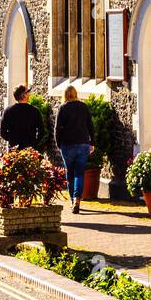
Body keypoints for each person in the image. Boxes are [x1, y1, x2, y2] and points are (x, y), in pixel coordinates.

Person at [54, 85, 94, 213]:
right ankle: (77, 199)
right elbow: (90, 126)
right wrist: (92, 142)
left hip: (67, 144)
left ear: (65, 95)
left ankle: (72, 200)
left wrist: (58, 144)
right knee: (79, 173)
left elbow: (57, 129)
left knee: (69, 173)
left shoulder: (63, 108)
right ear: (76, 94)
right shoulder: (84, 107)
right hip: (83, 143)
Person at [0, 85, 43, 152]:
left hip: (14, 149)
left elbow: (3, 133)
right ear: (23, 95)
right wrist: (35, 143)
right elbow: (41, 131)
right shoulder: (34, 111)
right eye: (27, 92)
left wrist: (12, 140)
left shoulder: (8, 111)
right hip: (30, 149)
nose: (29, 94)